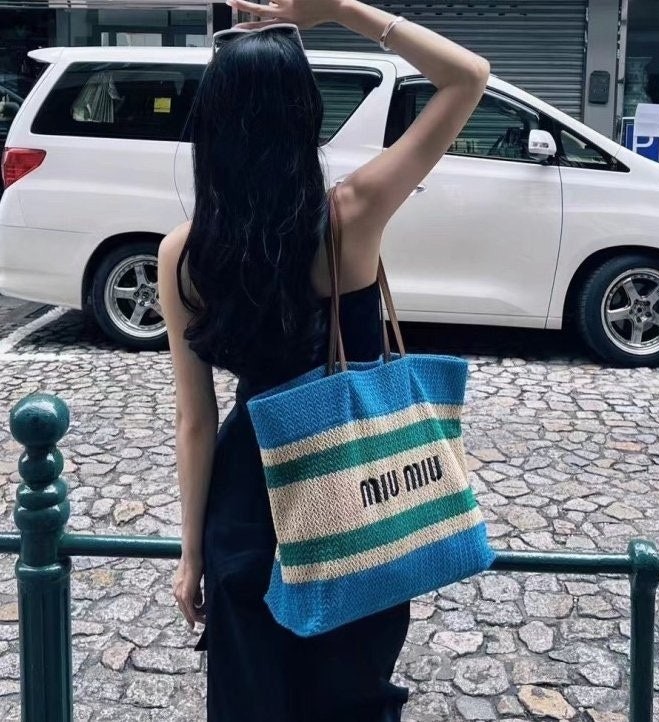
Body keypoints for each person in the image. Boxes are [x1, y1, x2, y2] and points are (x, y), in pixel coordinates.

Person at [157, 0, 489, 719]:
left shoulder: (182, 252)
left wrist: (191, 554)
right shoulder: (352, 213)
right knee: (350, 696)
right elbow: (467, 78)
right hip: (351, 491)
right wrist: (338, 9)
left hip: (248, 502)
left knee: (250, 700)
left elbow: (194, 421)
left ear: (212, 124)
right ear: (306, 113)